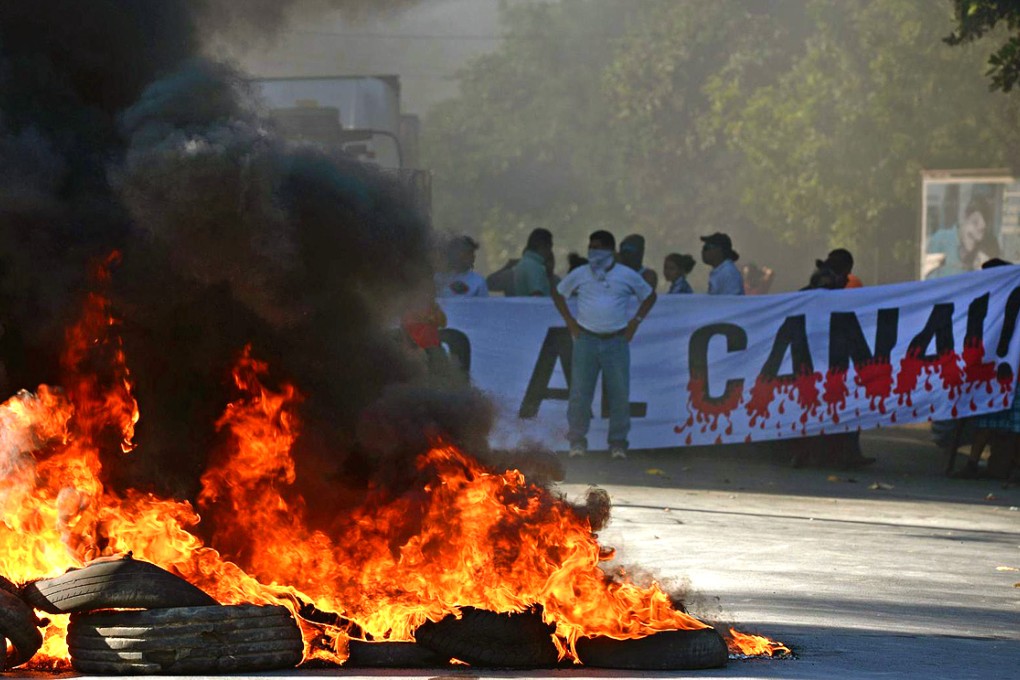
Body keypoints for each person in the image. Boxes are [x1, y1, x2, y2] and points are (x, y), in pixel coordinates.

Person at [552, 230, 657, 459]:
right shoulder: (580, 273)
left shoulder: (626, 275)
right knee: (580, 392)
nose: (592, 252)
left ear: (610, 251)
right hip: (586, 339)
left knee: (619, 392)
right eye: (590, 247)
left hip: (616, 340)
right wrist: (570, 322)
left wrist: (635, 322)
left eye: (597, 247)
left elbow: (649, 296)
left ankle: (618, 442)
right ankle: (577, 441)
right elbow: (558, 292)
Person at [926, 194, 1001, 278]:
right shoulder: (941, 239)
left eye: (982, 230)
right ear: (963, 218)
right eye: (975, 222)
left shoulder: (981, 252)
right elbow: (929, 279)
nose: (977, 236)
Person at [512, 228, 554, 297]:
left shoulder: (524, 263)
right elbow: (537, 297)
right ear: (543, 246)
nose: (550, 252)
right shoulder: (534, 267)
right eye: (550, 247)